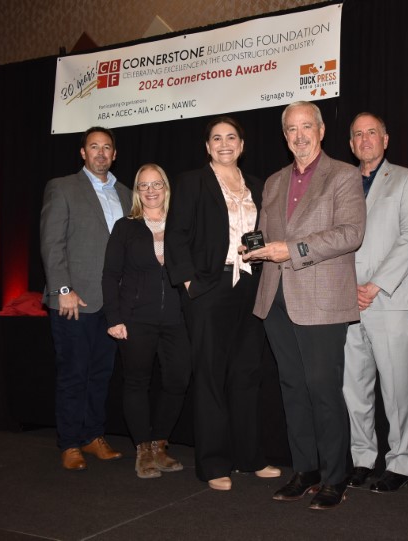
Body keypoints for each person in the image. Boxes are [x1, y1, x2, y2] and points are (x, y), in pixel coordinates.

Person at [244, 101, 366, 510]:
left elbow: (350, 233)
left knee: (323, 389)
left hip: (322, 300)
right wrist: (254, 246)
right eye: (292, 129)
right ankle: (306, 469)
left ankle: (335, 475)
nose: (299, 136)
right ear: (284, 136)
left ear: (321, 130)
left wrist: (291, 249)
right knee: (292, 388)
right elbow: (266, 232)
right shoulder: (275, 181)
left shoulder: (344, 175)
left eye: (306, 127)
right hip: (275, 298)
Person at [164, 116, 279, 491]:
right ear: (207, 146)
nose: (224, 143)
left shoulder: (258, 185)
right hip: (210, 289)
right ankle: (213, 464)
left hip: (251, 284)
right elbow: (176, 235)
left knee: (247, 373)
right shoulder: (192, 182)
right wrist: (190, 284)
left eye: (231, 137)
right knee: (210, 375)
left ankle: (250, 457)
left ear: (242, 146)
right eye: (217, 138)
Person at [40, 126, 131, 470]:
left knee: (101, 374)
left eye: (107, 147)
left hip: (112, 303)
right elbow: (52, 243)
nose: (101, 153)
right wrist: (62, 289)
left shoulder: (126, 194)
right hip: (73, 301)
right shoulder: (62, 187)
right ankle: (69, 442)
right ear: (83, 153)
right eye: (94, 146)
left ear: (114, 154)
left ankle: (93, 436)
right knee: (74, 374)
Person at [342, 112, 408, 493]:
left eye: (372, 132)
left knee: (396, 387)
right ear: (351, 144)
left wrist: (375, 285)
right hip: (346, 300)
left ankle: (401, 461)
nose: (365, 139)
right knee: (354, 387)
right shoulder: (341, 183)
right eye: (358, 134)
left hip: (388, 297)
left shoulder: (406, 179)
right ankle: (362, 458)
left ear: (385, 139)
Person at [102, 164, 191, 479]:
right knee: (137, 382)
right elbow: (110, 274)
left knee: (178, 380)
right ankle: (143, 449)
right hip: (136, 318)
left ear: (166, 188)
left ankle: (159, 444)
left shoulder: (183, 225)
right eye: (144, 185)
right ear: (137, 191)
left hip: (178, 319)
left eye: (157, 184)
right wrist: (114, 317)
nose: (151, 191)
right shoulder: (125, 227)